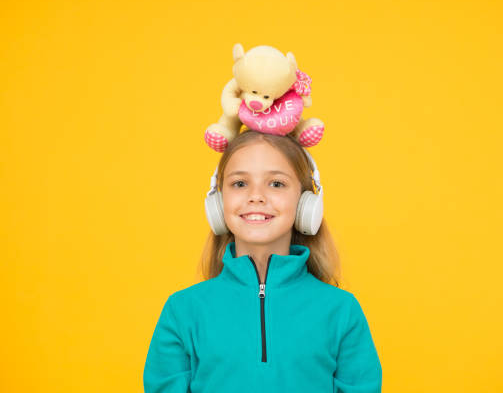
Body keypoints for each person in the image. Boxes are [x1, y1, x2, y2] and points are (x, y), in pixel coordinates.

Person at [143, 129, 382, 392]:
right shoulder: (183, 310)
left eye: (276, 183)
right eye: (240, 183)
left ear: (306, 202)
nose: (256, 196)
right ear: (218, 202)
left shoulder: (342, 311)